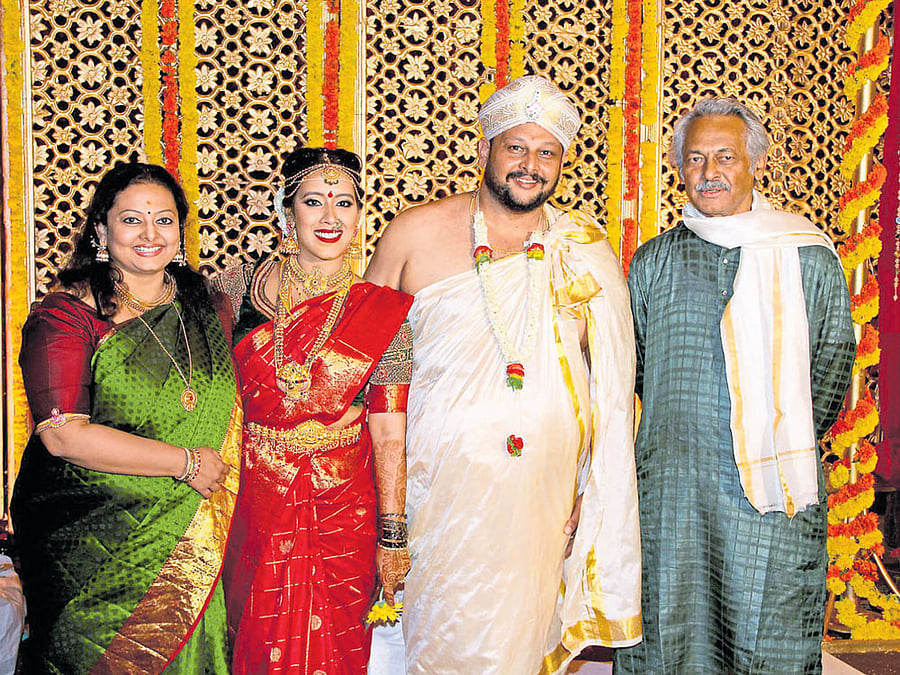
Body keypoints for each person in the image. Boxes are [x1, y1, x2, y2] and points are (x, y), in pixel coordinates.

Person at [366, 75, 642, 674]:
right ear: (484, 148)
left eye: (547, 153)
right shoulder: (414, 233)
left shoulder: (581, 249)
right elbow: (363, 363)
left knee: (518, 640)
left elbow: (613, 389)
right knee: (439, 631)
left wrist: (589, 490)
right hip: (435, 486)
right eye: (516, 147)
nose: (530, 166)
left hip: (542, 493)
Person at [614, 98, 856, 674]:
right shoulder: (653, 262)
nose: (709, 172)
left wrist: (773, 434)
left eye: (725, 156)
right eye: (695, 159)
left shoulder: (807, 258)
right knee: (671, 629)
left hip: (771, 493)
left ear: (754, 163)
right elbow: (636, 366)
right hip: (674, 489)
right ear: (680, 169)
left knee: (766, 632)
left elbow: (830, 370)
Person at [11, 162, 241, 673]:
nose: (149, 234)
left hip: (189, 539)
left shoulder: (212, 309)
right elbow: (63, 437)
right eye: (131, 219)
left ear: (180, 231)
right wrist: (184, 462)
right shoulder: (67, 314)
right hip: (92, 546)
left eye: (163, 220)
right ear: (101, 229)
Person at [220, 147, 413, 674]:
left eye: (345, 203)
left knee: (338, 642)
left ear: (361, 215)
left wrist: (393, 534)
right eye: (313, 202)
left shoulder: (383, 310)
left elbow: (389, 429)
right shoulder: (235, 289)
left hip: (344, 505)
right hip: (254, 494)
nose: (331, 217)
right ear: (286, 211)